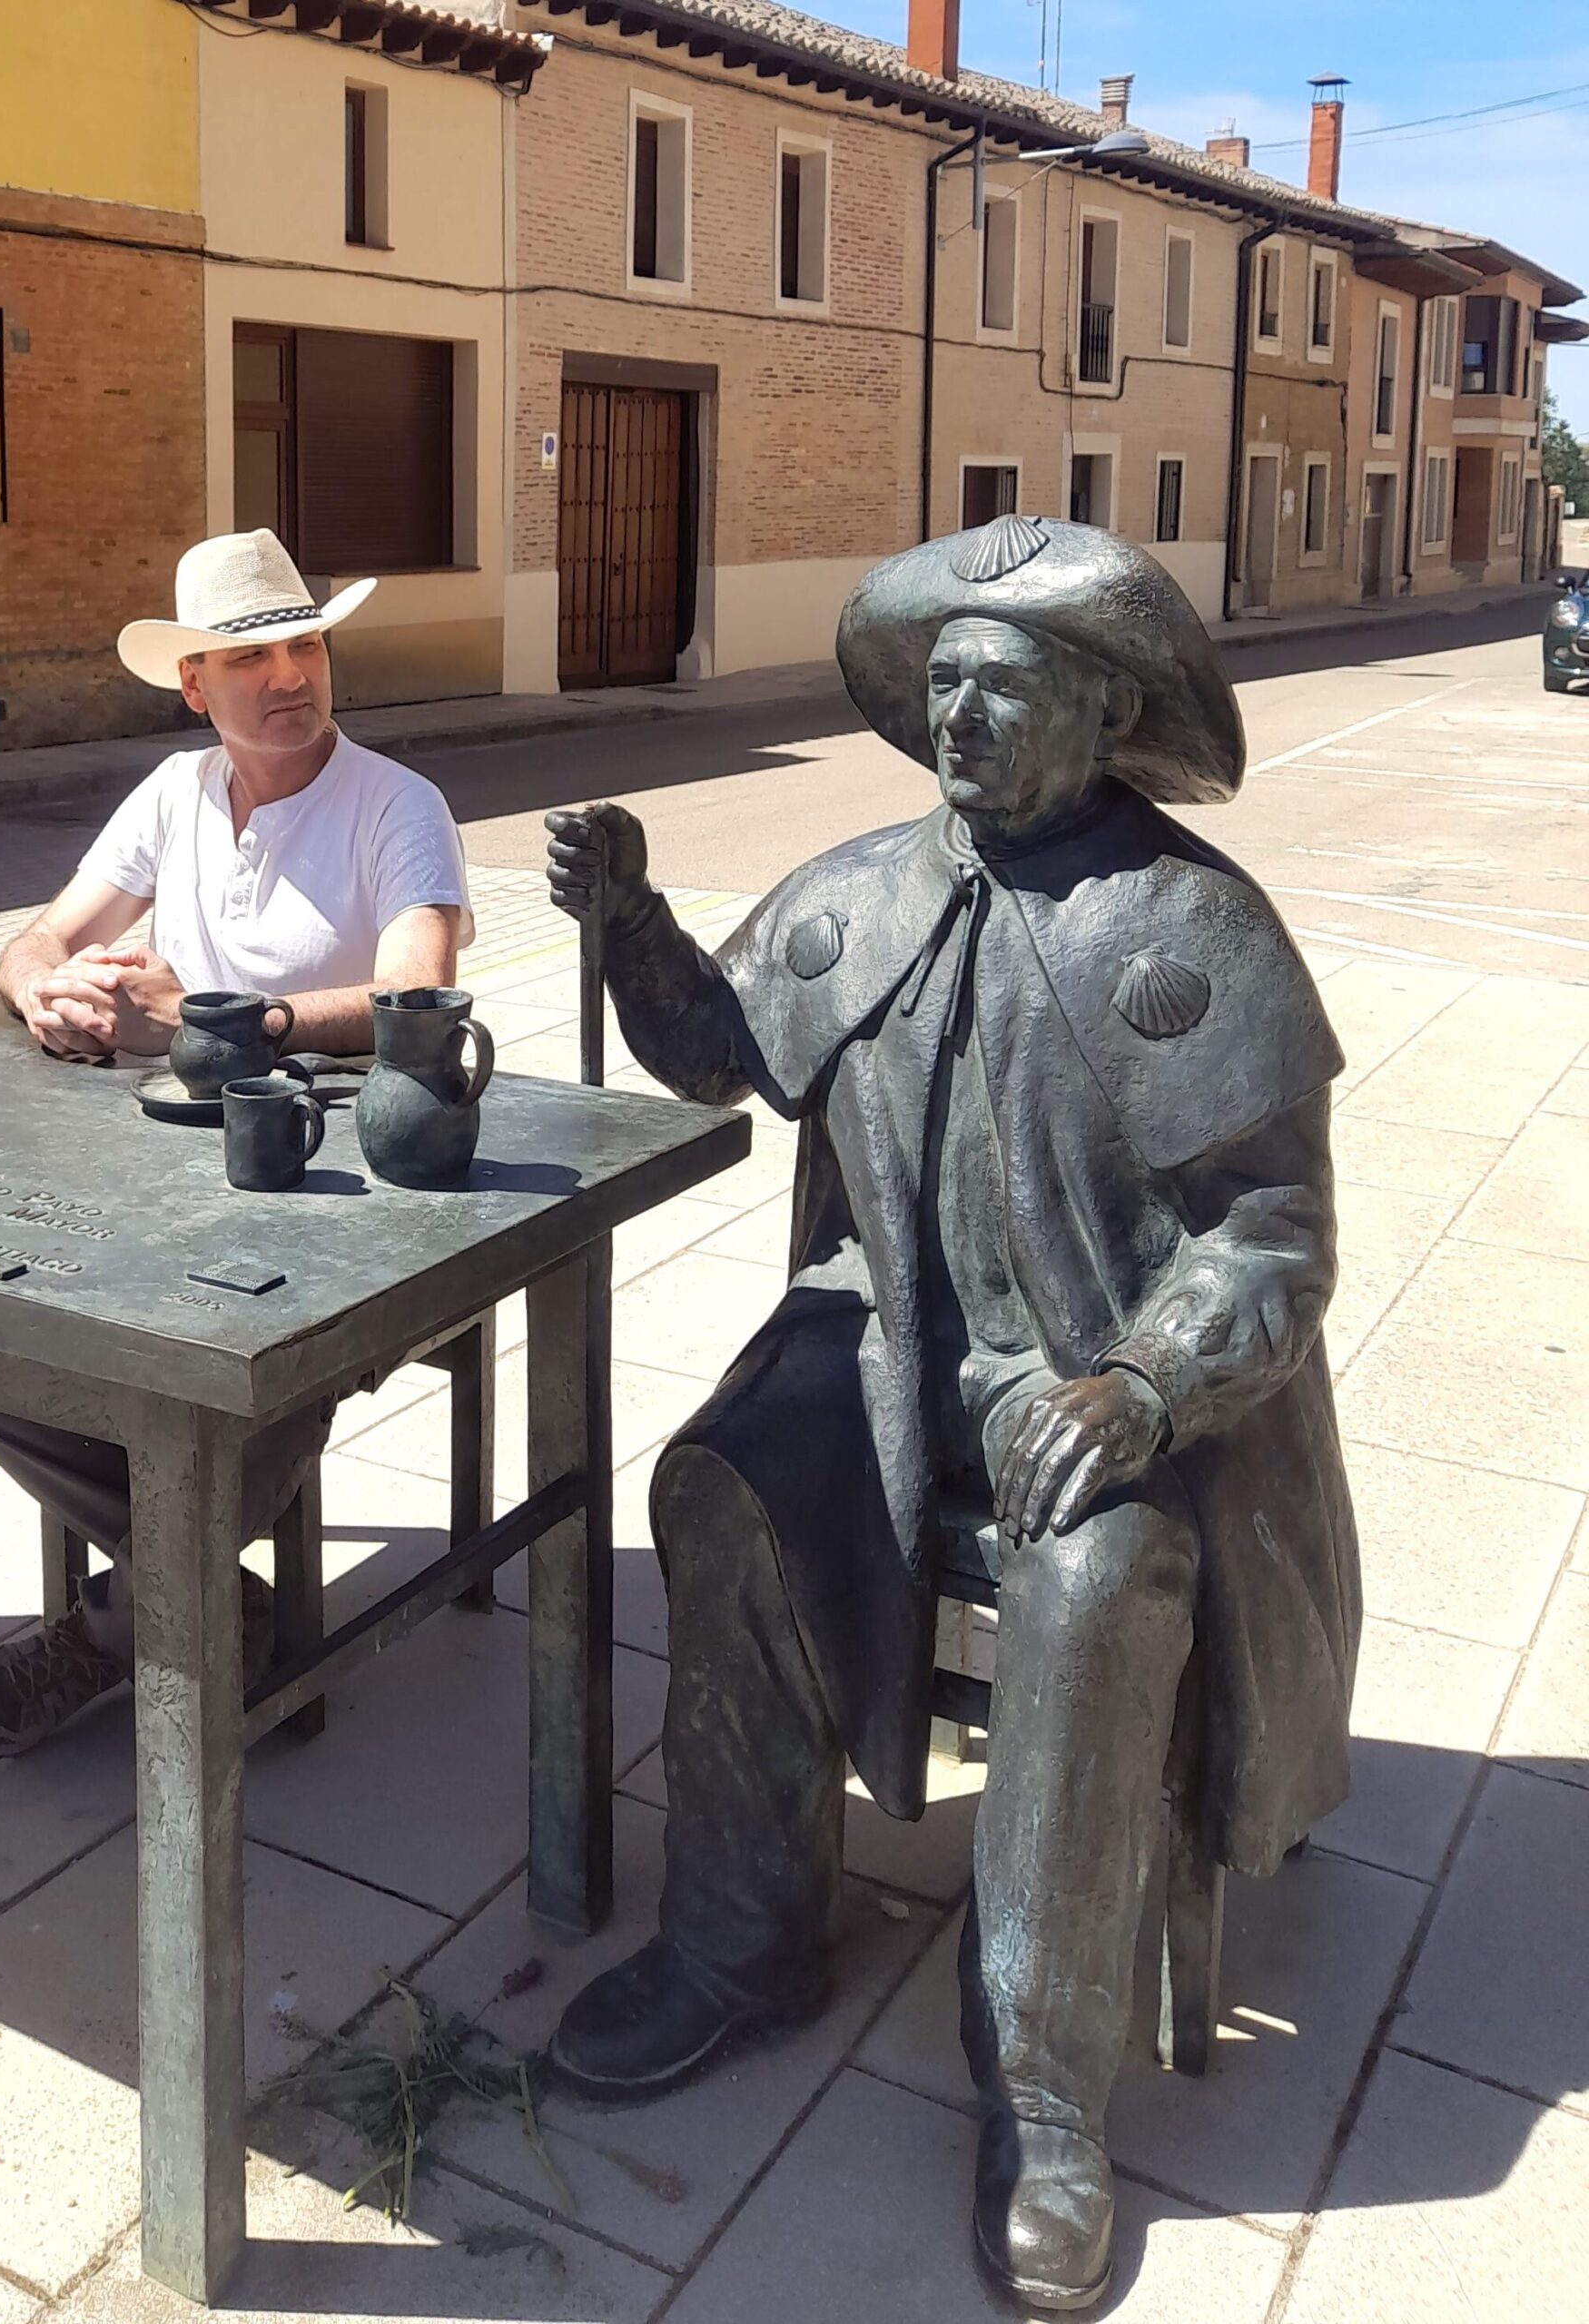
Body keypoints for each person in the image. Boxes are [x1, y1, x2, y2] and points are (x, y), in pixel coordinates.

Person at [541, 515, 1358, 2315]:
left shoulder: (1188, 919)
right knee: (725, 1482)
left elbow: (1269, 1236)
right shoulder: (863, 884)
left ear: (1099, 704)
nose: (958, 721)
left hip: (1106, 1380)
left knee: (1089, 1593)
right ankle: (741, 1935)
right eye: (942, 689)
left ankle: (1045, 2087)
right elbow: (717, 1047)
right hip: (894, 1340)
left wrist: (1146, 1383)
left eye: (1000, 689)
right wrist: (630, 928)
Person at [0, 528, 473, 1758]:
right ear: (195, 686)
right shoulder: (174, 792)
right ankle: (213, 1606)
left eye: (303, 648)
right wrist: (44, 995)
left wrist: (229, 1021)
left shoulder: (398, 805)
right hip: (165, 1166)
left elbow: (418, 1003)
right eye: (251, 660)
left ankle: (121, 1628)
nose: (288, 678)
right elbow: (38, 936)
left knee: (238, 1376)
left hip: (341, 1182)